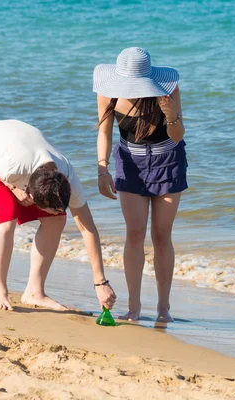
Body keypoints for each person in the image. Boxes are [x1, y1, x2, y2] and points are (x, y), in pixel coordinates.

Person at [0, 119, 116, 312]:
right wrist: (11, 186)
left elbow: (87, 228)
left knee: (57, 219)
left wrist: (100, 282)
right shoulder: (10, 168)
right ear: (31, 195)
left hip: (16, 148)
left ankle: (34, 292)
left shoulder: (68, 177)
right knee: (6, 216)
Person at [93, 47, 187, 322]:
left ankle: (163, 309)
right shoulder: (108, 92)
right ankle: (133, 308)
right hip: (130, 164)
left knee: (161, 235)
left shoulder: (166, 91)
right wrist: (102, 168)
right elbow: (104, 131)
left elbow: (178, 136)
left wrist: (170, 114)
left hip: (167, 161)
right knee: (134, 234)